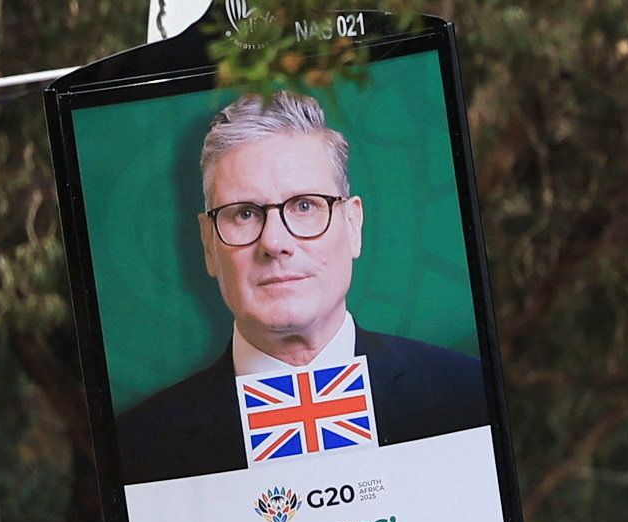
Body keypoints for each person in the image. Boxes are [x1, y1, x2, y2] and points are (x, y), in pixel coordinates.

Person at [113, 91, 489, 484]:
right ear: (209, 244)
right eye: (244, 213)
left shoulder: (467, 397)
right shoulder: (139, 450)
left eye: (305, 206)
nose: (274, 242)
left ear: (353, 224)